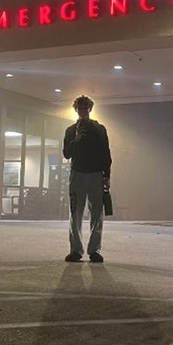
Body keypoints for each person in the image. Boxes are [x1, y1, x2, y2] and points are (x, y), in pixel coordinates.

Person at [62, 95, 111, 262]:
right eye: (80, 108)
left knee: (97, 213)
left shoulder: (99, 129)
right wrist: (76, 140)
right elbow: (66, 154)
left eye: (85, 108)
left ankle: (94, 250)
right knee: (75, 212)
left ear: (90, 109)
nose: (83, 111)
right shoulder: (70, 131)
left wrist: (107, 175)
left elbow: (106, 153)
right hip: (78, 174)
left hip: (96, 174)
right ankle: (76, 250)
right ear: (76, 110)